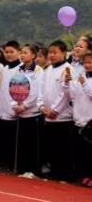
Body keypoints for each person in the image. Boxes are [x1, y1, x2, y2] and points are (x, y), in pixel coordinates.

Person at [38, 40, 74, 181]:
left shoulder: (68, 69)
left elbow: (66, 94)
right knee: (51, 147)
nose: (51, 55)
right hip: (47, 115)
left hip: (62, 116)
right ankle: (54, 172)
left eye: (55, 52)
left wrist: (55, 110)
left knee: (63, 148)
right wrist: (41, 107)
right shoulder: (47, 70)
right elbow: (41, 90)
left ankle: (65, 174)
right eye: (50, 53)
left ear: (64, 53)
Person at [12, 44, 43, 178]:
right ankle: (22, 168)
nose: (23, 55)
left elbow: (36, 92)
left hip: (33, 112)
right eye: (22, 53)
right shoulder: (18, 70)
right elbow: (13, 89)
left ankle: (33, 170)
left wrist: (25, 106)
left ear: (33, 55)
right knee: (22, 142)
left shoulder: (38, 71)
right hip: (20, 112)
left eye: (26, 53)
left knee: (32, 143)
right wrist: (15, 105)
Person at [0, 41, 22, 171]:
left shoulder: (21, 69)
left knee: (12, 141)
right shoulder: (4, 69)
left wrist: (16, 107)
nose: (9, 54)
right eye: (7, 52)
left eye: (12, 52)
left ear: (19, 52)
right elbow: (0, 89)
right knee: (2, 139)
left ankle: (11, 164)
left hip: (15, 111)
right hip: (2, 110)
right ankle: (3, 162)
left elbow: (21, 92)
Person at [64, 51, 92, 187]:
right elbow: (72, 95)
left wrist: (85, 84)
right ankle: (84, 175)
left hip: (90, 120)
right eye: (85, 62)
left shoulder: (86, 81)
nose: (87, 65)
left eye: (90, 62)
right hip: (79, 118)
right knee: (82, 152)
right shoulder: (81, 78)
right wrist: (68, 82)